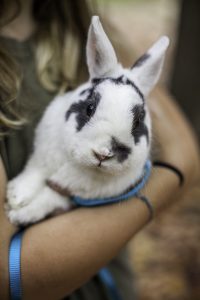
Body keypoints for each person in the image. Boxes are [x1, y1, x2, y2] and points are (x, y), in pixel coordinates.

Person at [0, 0, 199, 300]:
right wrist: (151, 192)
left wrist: (141, 189)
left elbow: (184, 155)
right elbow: (10, 274)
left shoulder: (78, 20)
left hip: (114, 286)